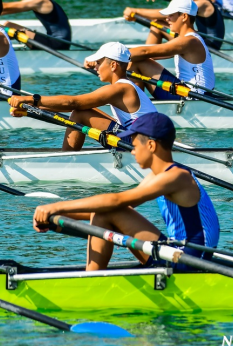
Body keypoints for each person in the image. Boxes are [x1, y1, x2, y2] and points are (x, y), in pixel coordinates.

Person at [31, 112, 219, 271]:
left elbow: (116, 201)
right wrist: (57, 217)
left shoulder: (176, 177)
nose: (132, 152)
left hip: (192, 259)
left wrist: (56, 206)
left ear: (151, 145)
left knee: (108, 209)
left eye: (135, 146)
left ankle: (91, 283)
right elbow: (110, 209)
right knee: (104, 211)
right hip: (175, 251)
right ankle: (93, 278)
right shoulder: (159, 176)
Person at [7, 42, 157, 151]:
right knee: (83, 110)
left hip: (143, 145)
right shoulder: (126, 85)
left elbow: (73, 103)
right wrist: (30, 109)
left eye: (98, 63)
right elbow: (72, 106)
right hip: (145, 140)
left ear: (113, 65)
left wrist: (31, 99)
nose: (96, 67)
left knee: (80, 112)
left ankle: (67, 161)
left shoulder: (120, 88)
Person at [124, 0, 215, 100]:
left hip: (194, 97)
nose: (167, 19)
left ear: (184, 16)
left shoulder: (189, 41)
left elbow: (145, 51)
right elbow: (147, 54)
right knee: (136, 58)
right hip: (189, 92)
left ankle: (137, 105)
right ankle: (138, 102)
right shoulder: (191, 38)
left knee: (137, 62)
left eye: (171, 15)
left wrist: (113, 57)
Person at [140, 0, 225, 48]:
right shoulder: (199, 2)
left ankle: (148, 55)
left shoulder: (202, 4)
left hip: (208, 46)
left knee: (157, 25)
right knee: (159, 23)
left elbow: (164, 14)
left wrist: (136, 11)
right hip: (201, 41)